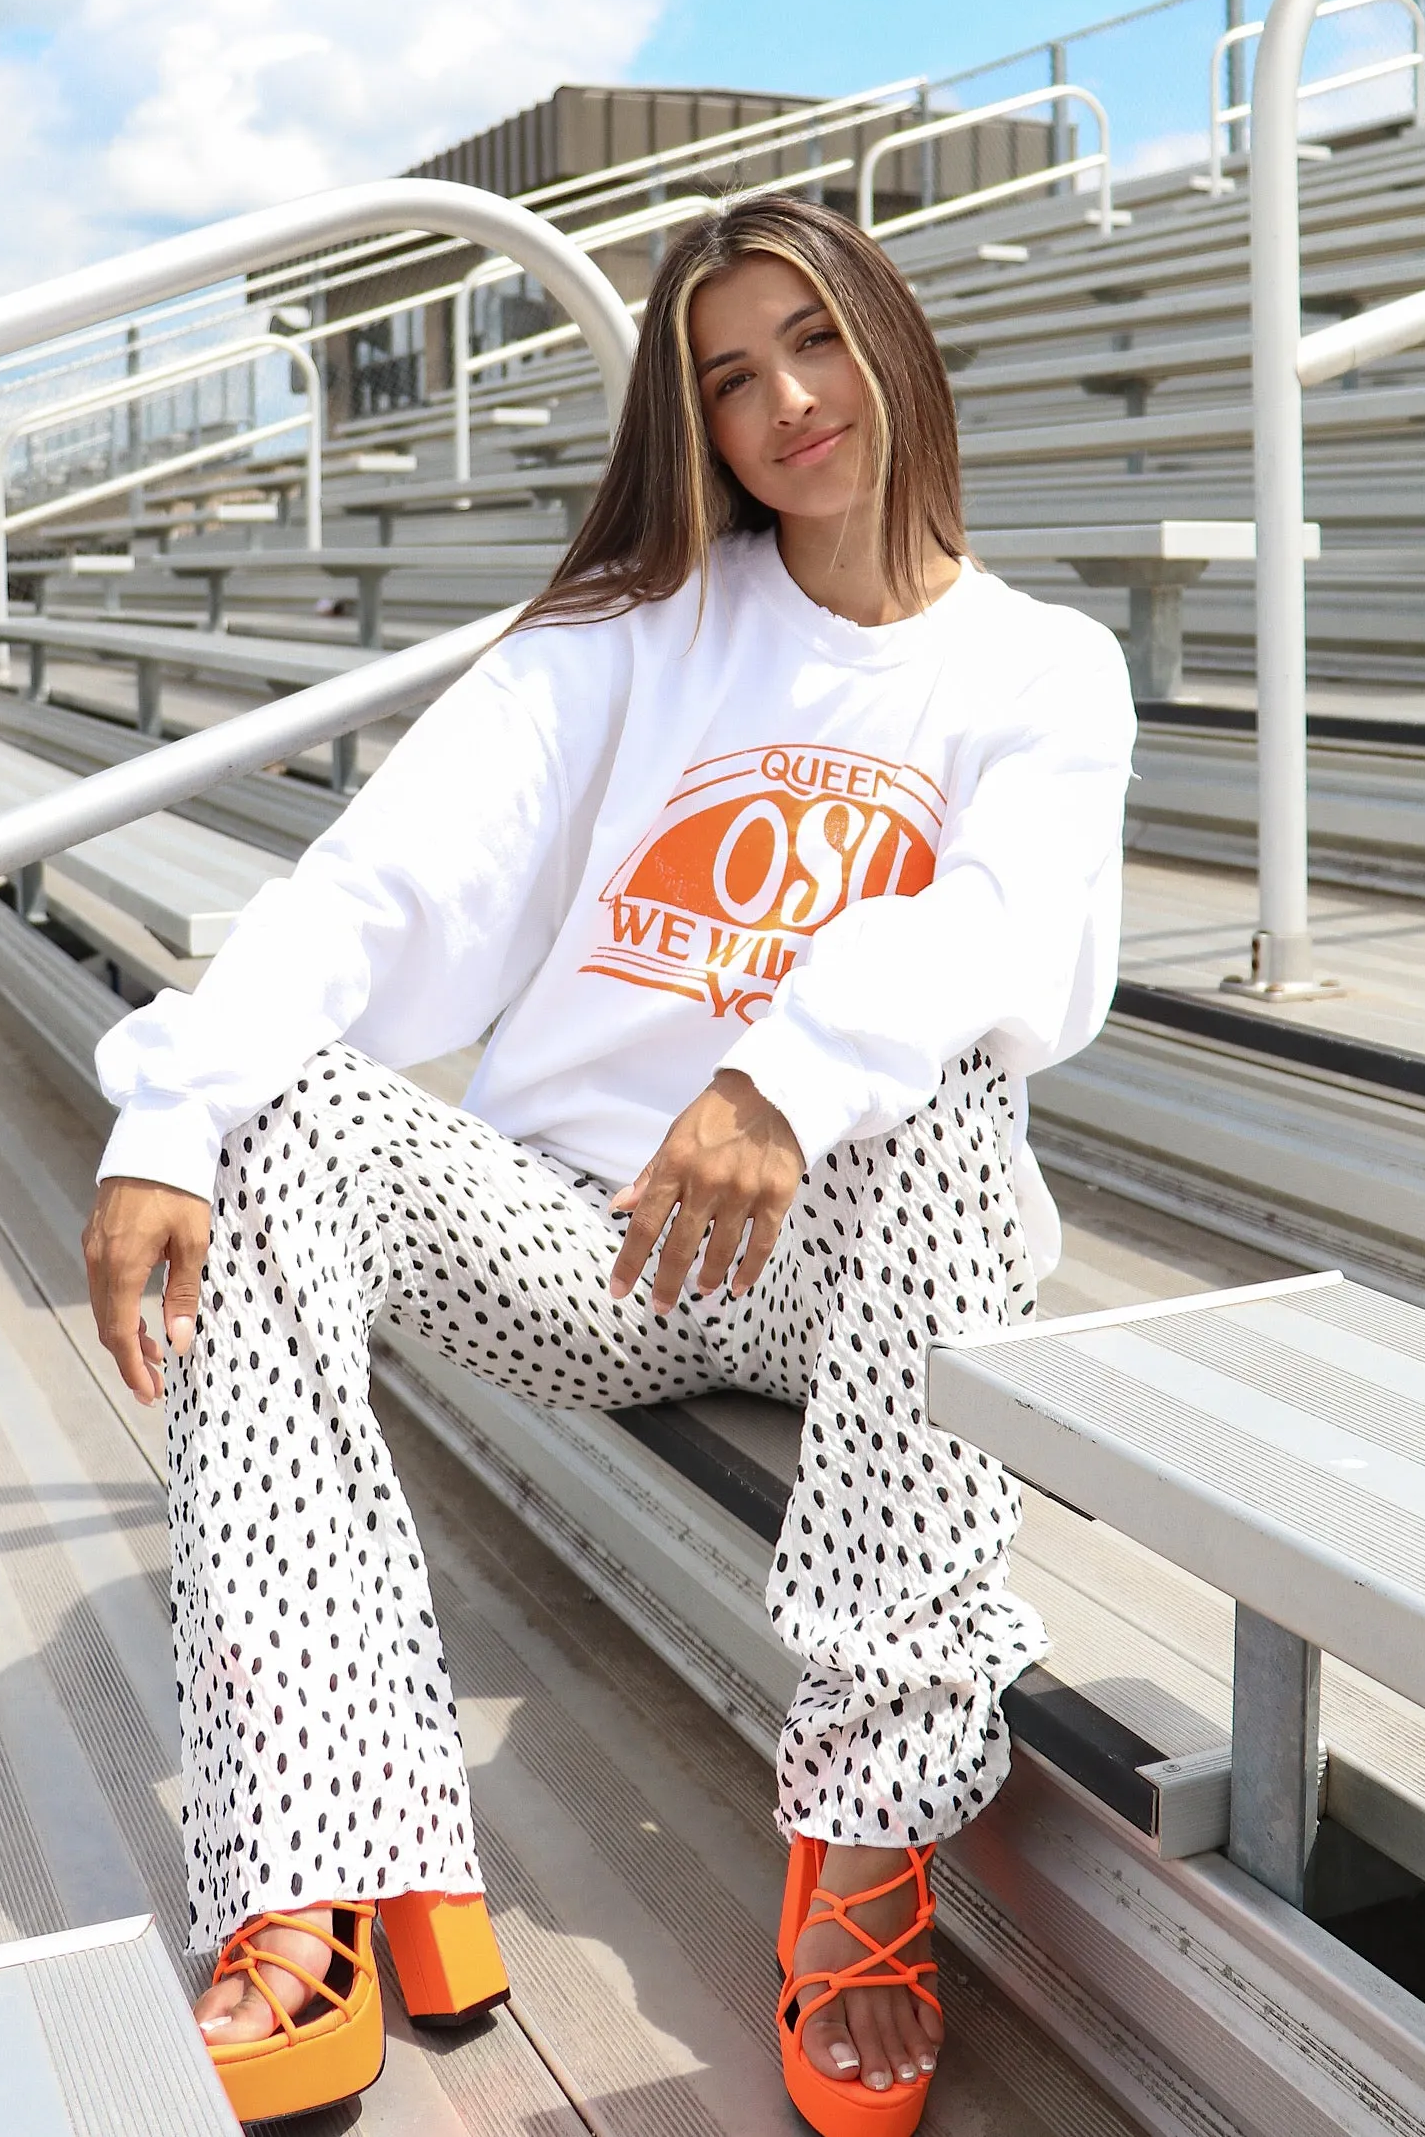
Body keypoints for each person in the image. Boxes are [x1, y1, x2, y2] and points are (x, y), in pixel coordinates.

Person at [83, 192, 1135, 2132]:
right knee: (280, 1116)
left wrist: (781, 1076)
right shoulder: (641, 627)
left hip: (853, 1249)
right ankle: (319, 1852)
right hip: (597, 1242)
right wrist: (173, 1105)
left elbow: (1000, 919)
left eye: (811, 339)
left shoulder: (1042, 666)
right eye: (729, 379)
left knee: (958, 1102)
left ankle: (863, 1840)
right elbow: (390, 873)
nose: (786, 402)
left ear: (891, 334)